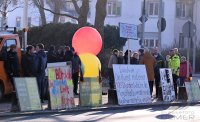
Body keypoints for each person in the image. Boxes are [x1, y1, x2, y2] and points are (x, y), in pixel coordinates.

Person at [5, 44, 20, 111]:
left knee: (16, 86)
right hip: (12, 73)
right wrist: (10, 72)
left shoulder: (15, 54)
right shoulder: (9, 55)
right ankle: (14, 103)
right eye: (16, 48)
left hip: (17, 73)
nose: (17, 49)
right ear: (13, 48)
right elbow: (7, 64)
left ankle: (16, 101)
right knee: (14, 87)